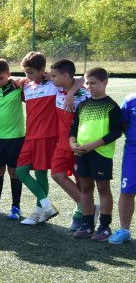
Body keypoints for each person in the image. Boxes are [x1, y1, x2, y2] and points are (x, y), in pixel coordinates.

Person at [17, 52, 80, 226]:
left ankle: (39, 213)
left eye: (31, 72)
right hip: (30, 136)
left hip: (47, 136)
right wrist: (22, 79)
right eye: (25, 72)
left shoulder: (54, 84)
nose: (27, 75)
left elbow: (80, 79)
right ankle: (46, 206)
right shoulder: (27, 86)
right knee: (21, 171)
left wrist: (70, 94)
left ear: (42, 70)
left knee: (40, 173)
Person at [69, 67, 123, 241]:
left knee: (103, 189)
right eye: (87, 83)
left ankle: (105, 227)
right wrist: (72, 144)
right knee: (85, 188)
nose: (89, 86)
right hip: (81, 152)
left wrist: (93, 145)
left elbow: (116, 132)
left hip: (101, 154)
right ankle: (87, 224)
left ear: (104, 82)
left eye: (93, 83)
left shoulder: (111, 106)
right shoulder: (83, 105)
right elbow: (73, 129)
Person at [50, 59, 89, 231]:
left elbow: (82, 78)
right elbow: (80, 77)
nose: (51, 78)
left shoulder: (85, 95)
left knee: (81, 180)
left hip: (78, 146)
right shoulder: (57, 88)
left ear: (66, 76)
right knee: (57, 174)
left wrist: (72, 93)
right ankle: (86, 206)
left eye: (54, 76)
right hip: (61, 145)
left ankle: (82, 214)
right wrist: (69, 93)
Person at [0, 59, 25, 219]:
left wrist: (17, 79)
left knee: (14, 172)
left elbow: (31, 81)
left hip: (16, 137)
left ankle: (16, 207)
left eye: (0, 78)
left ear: (9, 74)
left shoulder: (17, 87)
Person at [111, 90, 136, 244]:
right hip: (132, 152)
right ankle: (124, 230)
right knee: (127, 191)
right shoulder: (130, 100)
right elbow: (122, 125)